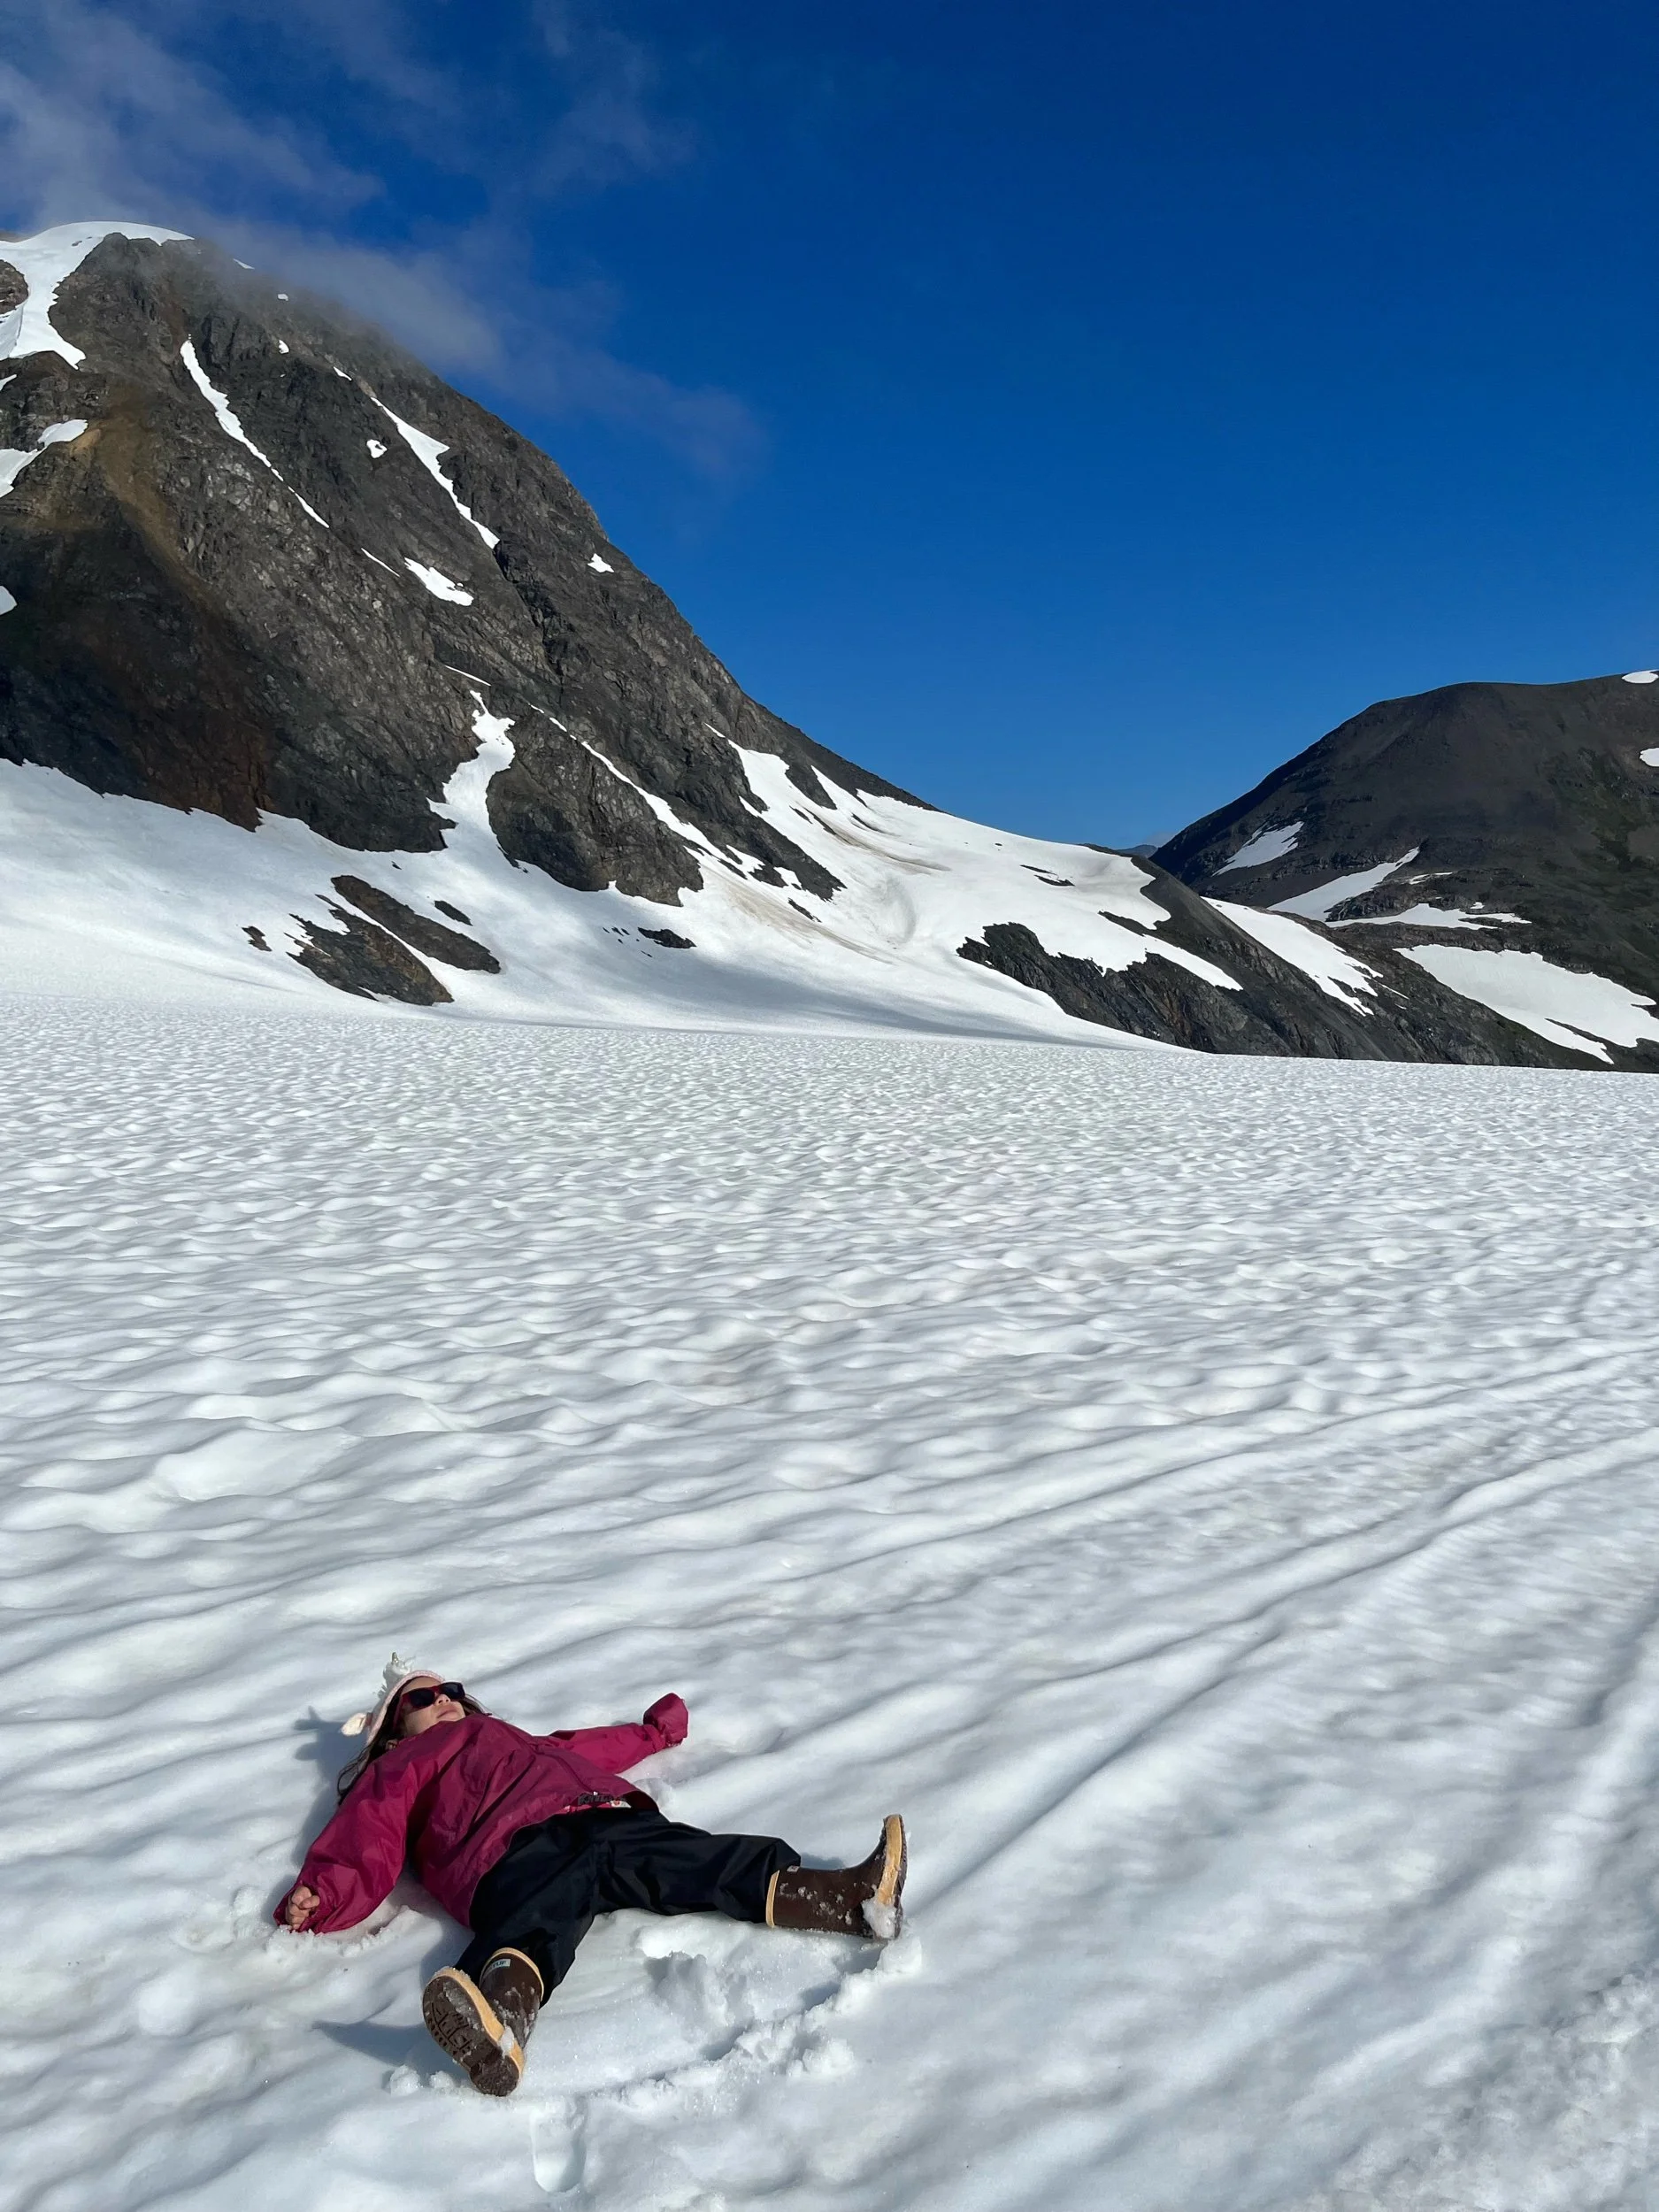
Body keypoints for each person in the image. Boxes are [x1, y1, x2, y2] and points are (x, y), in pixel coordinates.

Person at [276, 1655, 908, 2097]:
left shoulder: (519, 1741)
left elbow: (593, 1748)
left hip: (602, 1818)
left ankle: (842, 1898)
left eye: (450, 1691)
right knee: (538, 1910)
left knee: (694, 1857)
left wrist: (653, 1734)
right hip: (508, 1850)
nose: (442, 1700)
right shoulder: (406, 1764)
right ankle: (501, 2016)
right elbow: (372, 1828)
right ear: (394, 1730)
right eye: (420, 1698)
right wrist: (325, 1892)